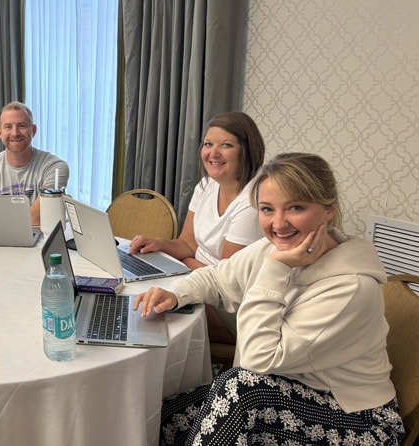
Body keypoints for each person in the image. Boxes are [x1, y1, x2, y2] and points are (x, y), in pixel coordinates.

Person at [133, 152, 405, 445]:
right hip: (278, 389)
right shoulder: (270, 248)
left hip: (357, 417)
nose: (278, 224)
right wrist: (174, 294)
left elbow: (256, 360)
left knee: (238, 391)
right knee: (165, 415)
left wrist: (276, 268)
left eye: (295, 207)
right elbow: (217, 276)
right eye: (266, 209)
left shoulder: (351, 287)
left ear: (328, 210)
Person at [128, 111, 265, 343]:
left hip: (228, 305)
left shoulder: (252, 203)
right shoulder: (206, 186)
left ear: (247, 150)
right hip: (196, 281)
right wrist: (157, 243)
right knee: (140, 301)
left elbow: (226, 282)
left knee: (149, 316)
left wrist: (183, 264)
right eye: (208, 144)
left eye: (226, 145)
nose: (213, 153)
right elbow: (187, 244)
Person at [0, 101, 69, 226]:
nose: (15, 133)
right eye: (8, 126)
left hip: (41, 243)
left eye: (21, 126)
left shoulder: (54, 168)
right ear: (0, 133)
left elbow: (36, 219)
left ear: (33, 130)